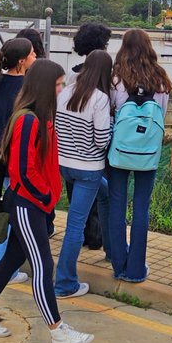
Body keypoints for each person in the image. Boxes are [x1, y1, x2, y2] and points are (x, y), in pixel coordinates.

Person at [0, 60, 94, 343]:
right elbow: (23, 170)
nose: (62, 89)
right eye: (59, 84)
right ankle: (57, 331)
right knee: (42, 265)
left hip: (34, 203)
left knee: (11, 261)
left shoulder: (37, 117)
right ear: (46, 86)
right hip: (28, 203)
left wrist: (46, 200)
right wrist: (46, 198)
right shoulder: (28, 120)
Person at [106, 29, 171, 283]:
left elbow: (111, 113)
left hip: (119, 150)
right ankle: (135, 270)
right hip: (148, 152)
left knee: (117, 207)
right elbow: (161, 117)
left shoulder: (116, 78)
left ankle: (119, 266)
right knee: (141, 209)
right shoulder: (161, 79)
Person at [54, 49, 113, 298]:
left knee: (107, 195)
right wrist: (110, 128)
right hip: (88, 168)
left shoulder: (66, 91)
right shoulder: (99, 98)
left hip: (65, 165)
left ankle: (113, 249)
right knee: (75, 226)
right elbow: (101, 140)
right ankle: (65, 283)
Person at [0, 37, 36, 281]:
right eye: (32, 54)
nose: (36, 57)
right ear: (22, 61)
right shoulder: (27, 87)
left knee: (0, 208)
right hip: (14, 157)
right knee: (11, 213)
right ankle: (3, 267)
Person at [65, 21, 113, 254]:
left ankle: (85, 234)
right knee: (98, 195)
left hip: (68, 151)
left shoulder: (71, 75)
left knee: (74, 195)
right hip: (93, 152)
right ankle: (96, 237)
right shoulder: (105, 78)